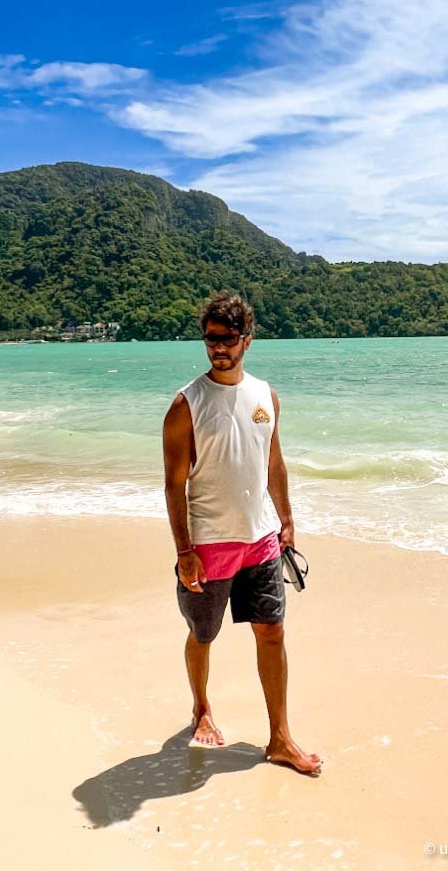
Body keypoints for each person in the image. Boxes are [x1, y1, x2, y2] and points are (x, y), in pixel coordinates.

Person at [163, 290, 321, 775]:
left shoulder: (265, 396)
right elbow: (174, 485)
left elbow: (273, 463)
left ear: (246, 340)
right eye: (210, 339)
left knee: (271, 633)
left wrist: (287, 520)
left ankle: (279, 738)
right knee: (203, 634)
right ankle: (201, 709)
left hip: (261, 541)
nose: (217, 349)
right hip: (208, 547)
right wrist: (184, 550)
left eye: (227, 339)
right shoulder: (186, 405)